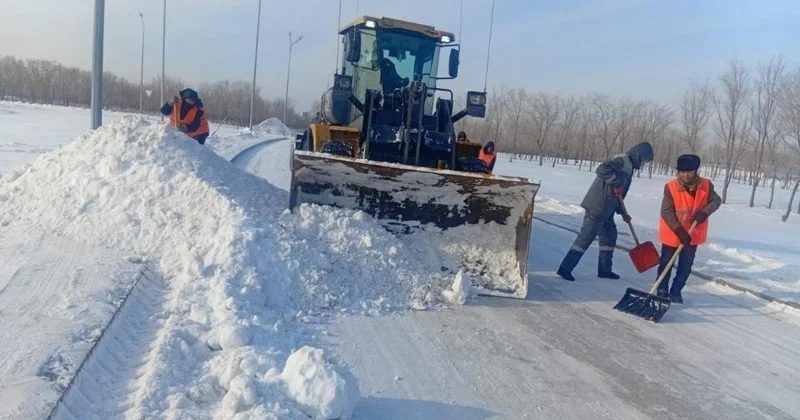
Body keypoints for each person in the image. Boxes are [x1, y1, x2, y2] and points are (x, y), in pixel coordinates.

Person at [556, 142, 654, 281]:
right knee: (586, 237)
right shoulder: (622, 161)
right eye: (644, 160)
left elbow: (619, 194)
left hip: (608, 209)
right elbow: (602, 169)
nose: (643, 164)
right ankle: (565, 268)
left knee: (609, 236)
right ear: (639, 155)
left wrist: (623, 212)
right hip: (598, 206)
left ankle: (605, 270)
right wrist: (615, 182)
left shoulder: (629, 166)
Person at [655, 154, 721, 303]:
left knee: (686, 266)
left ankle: (676, 291)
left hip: (693, 234)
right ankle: (661, 290)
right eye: (682, 171)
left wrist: (704, 212)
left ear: (695, 171)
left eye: (689, 172)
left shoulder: (706, 185)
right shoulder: (671, 187)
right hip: (673, 232)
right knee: (666, 263)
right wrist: (679, 231)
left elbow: (716, 201)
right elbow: (666, 211)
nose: (685, 175)